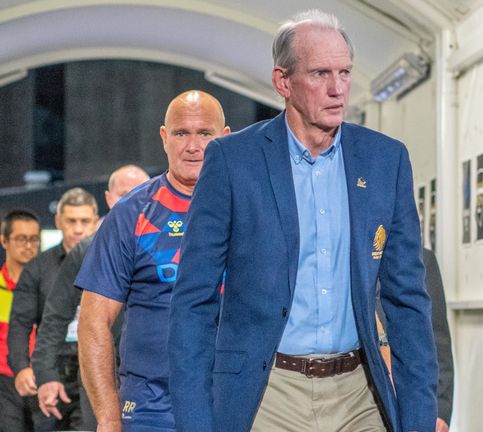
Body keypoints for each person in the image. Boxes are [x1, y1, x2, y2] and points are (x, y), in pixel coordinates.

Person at [169, 9, 437, 432]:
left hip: (359, 392)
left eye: (345, 72)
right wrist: (195, 421)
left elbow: (408, 300)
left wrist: (419, 419)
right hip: (267, 391)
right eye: (319, 74)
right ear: (283, 82)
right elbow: (193, 302)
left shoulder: (386, 160)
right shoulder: (233, 160)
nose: (337, 89)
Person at [75, 91, 230, 432]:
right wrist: (108, 418)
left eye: (205, 134)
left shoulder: (250, 210)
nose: (193, 146)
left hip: (233, 400)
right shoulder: (131, 214)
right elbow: (93, 322)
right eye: (180, 133)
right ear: (163, 138)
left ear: (225, 137)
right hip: (151, 408)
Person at [32, 165, 149, 429]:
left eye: (140, 192)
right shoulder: (86, 251)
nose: (133, 200)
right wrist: (46, 375)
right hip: (100, 373)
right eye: (124, 194)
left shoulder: (174, 245)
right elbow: (55, 316)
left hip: (152, 375)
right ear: (109, 199)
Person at [8, 188, 99, 431]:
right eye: (71, 221)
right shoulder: (37, 268)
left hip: (93, 369)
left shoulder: (108, 264)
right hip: (50, 369)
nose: (78, 229)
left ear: (96, 221)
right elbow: (20, 324)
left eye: (85, 221)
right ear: (58, 222)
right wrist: (21, 368)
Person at [377, 248, 455, 432]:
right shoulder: (352, 256)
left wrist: (441, 409)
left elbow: (438, 338)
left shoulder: (421, 258)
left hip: (410, 399)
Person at [0, 209, 41, 432]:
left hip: (42, 379)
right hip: (5, 381)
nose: (28, 245)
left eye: (34, 239)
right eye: (21, 239)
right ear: (4, 241)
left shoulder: (48, 287)